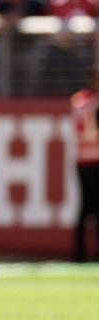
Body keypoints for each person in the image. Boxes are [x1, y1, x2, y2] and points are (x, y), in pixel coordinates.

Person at [70, 66, 99, 262]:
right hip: (93, 160)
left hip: (83, 159)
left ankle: (80, 254)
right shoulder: (90, 102)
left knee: (85, 208)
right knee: (91, 208)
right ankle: (84, 253)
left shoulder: (80, 100)